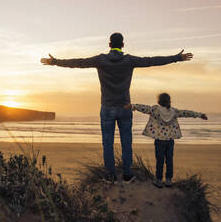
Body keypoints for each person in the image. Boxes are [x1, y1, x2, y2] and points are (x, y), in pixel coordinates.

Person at [40, 33, 193, 184]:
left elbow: (79, 62)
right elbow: (151, 61)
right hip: (125, 107)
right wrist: (176, 58)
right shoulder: (129, 60)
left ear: (109, 45)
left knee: (108, 144)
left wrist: (55, 62)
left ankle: (110, 176)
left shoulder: (101, 60)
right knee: (126, 143)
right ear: (123, 45)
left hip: (107, 108)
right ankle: (127, 176)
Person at [124, 93, 208, 188]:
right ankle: (168, 180)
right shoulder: (174, 112)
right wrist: (200, 115)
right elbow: (186, 113)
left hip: (159, 140)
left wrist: (132, 106)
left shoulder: (155, 110)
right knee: (169, 160)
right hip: (170, 140)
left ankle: (159, 180)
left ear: (159, 101)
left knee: (159, 161)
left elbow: (143, 108)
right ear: (169, 102)